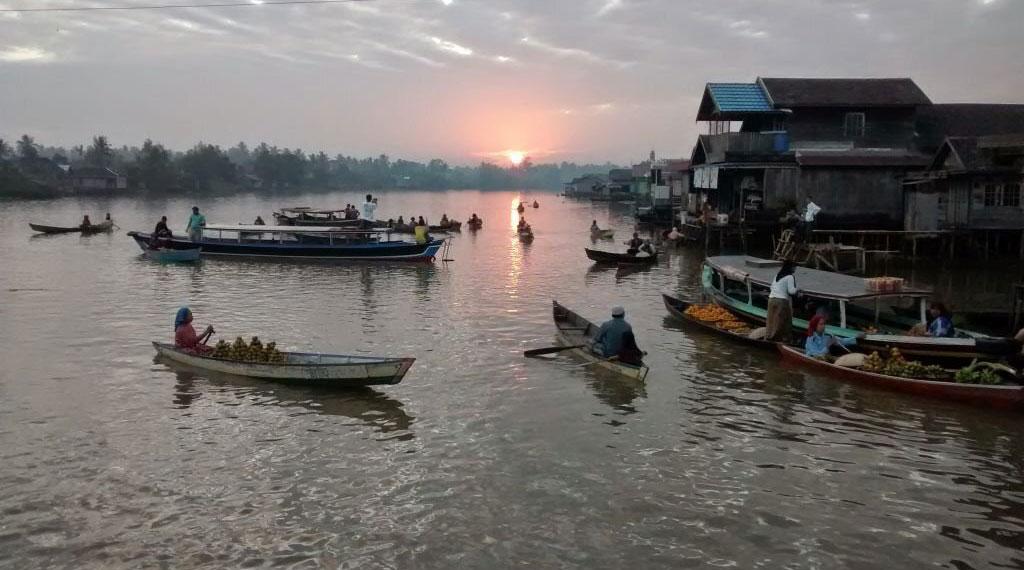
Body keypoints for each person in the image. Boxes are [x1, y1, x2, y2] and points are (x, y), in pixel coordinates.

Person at [766, 260, 798, 342]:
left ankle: (769, 336)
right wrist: (798, 289)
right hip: (781, 301)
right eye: (794, 267)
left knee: (771, 320)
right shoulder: (790, 277)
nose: (795, 269)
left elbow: (771, 287)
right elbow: (791, 291)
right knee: (782, 321)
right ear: (790, 268)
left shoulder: (777, 275)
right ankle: (780, 339)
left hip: (771, 299)